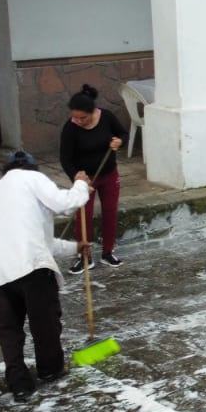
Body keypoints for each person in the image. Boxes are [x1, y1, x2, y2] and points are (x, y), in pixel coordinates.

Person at [0, 150, 91, 401]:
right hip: (31, 266)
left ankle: (19, 384)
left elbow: (40, 239)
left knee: (9, 331)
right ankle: (50, 370)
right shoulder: (31, 179)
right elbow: (66, 203)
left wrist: (75, 246)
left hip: (0, 270)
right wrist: (81, 184)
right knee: (45, 322)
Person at [60, 85, 127, 273]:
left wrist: (119, 141)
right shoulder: (70, 128)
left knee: (110, 211)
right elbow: (65, 158)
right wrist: (76, 176)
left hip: (109, 174)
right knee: (83, 217)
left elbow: (123, 133)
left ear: (93, 112)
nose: (78, 121)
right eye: (75, 117)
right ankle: (85, 256)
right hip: (85, 180)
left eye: (83, 117)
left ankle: (108, 252)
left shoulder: (106, 117)